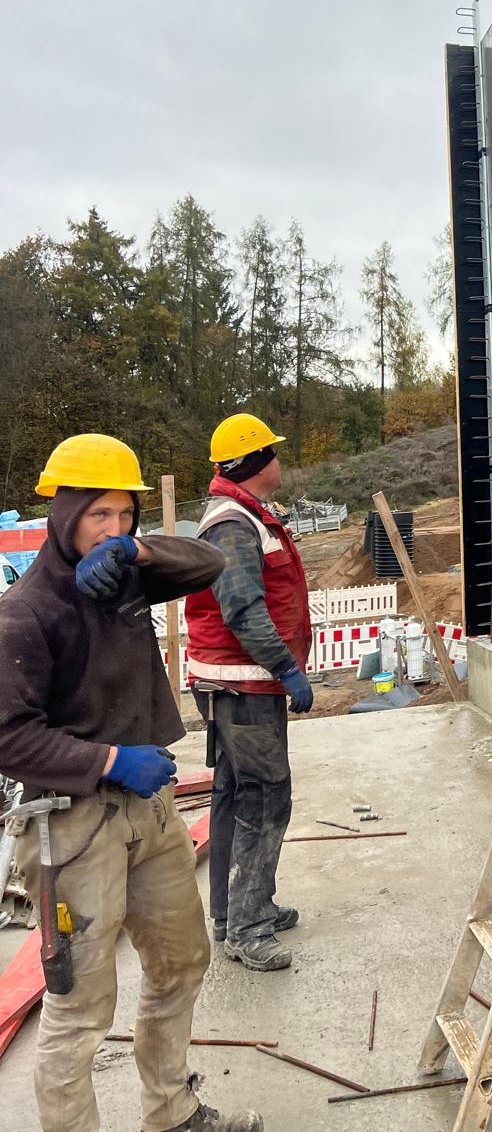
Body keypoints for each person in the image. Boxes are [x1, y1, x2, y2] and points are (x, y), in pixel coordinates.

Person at [0, 433, 263, 1132]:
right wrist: (111, 761)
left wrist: (135, 552)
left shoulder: (123, 575)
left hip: (148, 811)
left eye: (125, 514)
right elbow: (8, 737)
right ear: (64, 512)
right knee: (80, 1008)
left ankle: (172, 1114)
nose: (112, 527)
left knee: (181, 962)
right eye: (99, 515)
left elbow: (208, 561)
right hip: (72, 824)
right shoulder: (26, 611)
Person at [184, 414, 313, 974]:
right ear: (256, 462)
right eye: (272, 452)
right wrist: (286, 668)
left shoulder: (245, 515)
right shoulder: (234, 524)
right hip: (243, 684)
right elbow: (242, 609)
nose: (279, 460)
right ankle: (248, 927)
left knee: (235, 797)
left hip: (239, 684)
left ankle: (235, 911)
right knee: (263, 799)